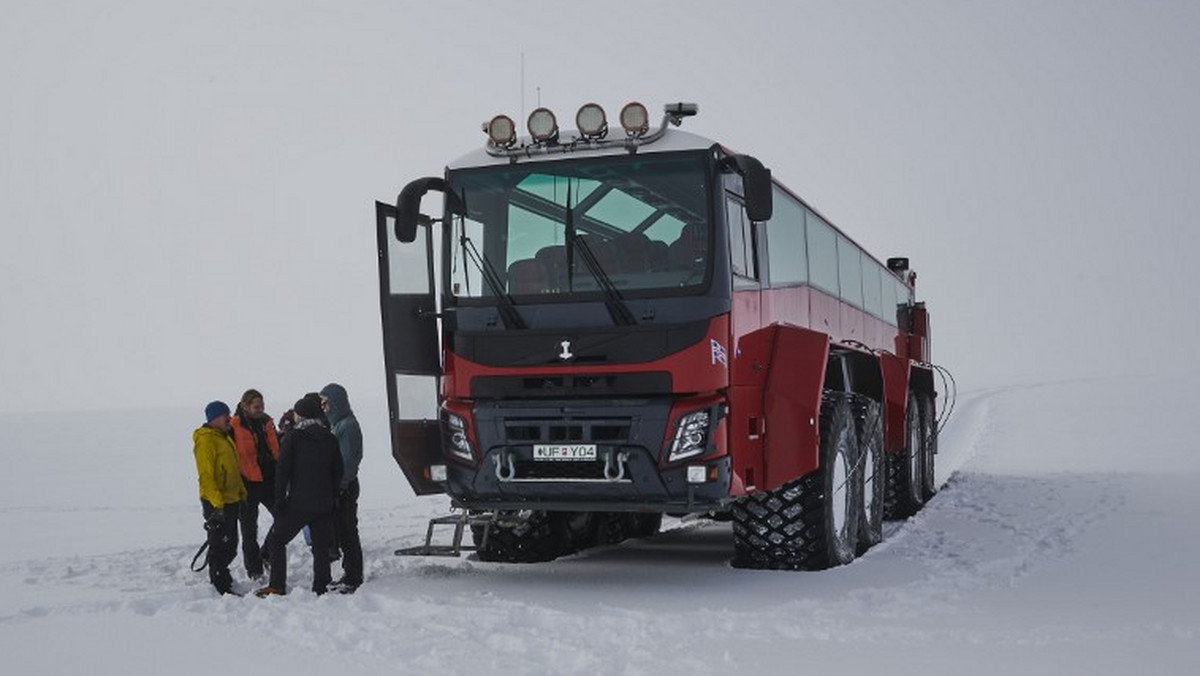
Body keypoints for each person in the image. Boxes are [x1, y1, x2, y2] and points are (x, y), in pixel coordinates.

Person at [255, 396, 343, 597]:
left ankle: (277, 585)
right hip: (324, 502)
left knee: (277, 541)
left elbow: (283, 471)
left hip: (299, 502)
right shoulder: (329, 437)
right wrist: (333, 495)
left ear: (301, 415)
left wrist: (279, 500)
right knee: (321, 546)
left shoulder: (294, 437)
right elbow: (338, 470)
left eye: (296, 412)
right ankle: (321, 585)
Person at [192, 401, 247, 596]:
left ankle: (222, 576)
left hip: (231, 499)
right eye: (225, 415)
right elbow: (206, 475)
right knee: (220, 544)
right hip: (217, 502)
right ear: (214, 418)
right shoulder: (206, 440)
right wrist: (216, 504)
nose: (229, 418)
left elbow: (233, 469)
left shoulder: (224, 437)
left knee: (231, 545)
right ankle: (220, 584)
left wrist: (241, 492)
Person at [229, 389, 281, 580]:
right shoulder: (233, 425)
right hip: (247, 483)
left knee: (283, 517)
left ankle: (266, 552)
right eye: (256, 406)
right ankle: (254, 569)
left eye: (262, 406)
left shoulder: (267, 422)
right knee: (249, 530)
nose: (260, 410)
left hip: (268, 480)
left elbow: (276, 448)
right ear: (245, 406)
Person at [321, 383, 364, 592]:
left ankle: (354, 576)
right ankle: (350, 573)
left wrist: (340, 485)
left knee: (348, 532)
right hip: (339, 485)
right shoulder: (337, 424)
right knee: (342, 530)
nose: (324, 407)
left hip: (345, 486)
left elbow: (348, 461)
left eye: (326, 402)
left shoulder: (347, 426)